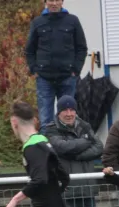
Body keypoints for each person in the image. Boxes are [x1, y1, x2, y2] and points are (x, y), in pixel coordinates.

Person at [25, 0, 87, 128]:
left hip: (67, 77)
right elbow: (29, 50)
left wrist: (76, 70)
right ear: (45, 2)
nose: (54, 3)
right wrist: (34, 70)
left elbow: (81, 48)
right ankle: (47, 147)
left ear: (62, 1)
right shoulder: (37, 22)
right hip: (44, 79)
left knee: (68, 117)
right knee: (46, 119)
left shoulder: (73, 21)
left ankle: (68, 146)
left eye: (57, 0)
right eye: (50, 0)